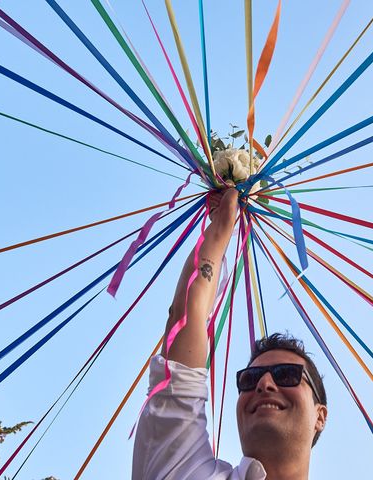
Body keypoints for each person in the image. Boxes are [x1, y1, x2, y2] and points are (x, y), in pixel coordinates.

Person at [132, 188, 328, 480]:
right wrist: (221, 227)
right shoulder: (185, 471)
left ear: (320, 417)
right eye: (247, 380)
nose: (263, 383)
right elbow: (187, 317)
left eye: (287, 374)